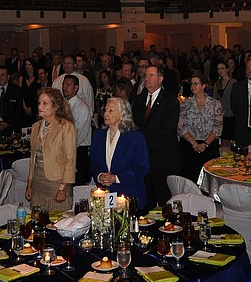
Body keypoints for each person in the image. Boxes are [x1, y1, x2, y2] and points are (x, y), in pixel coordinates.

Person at [132, 65, 181, 207]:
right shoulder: (139, 100)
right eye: (145, 75)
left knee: (165, 200)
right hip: (144, 160)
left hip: (163, 159)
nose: (146, 78)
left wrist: (143, 144)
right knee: (147, 199)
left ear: (160, 79)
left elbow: (167, 131)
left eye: (151, 75)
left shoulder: (170, 101)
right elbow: (136, 125)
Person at [91, 97, 150, 207]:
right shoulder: (98, 135)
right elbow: (93, 164)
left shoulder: (135, 137)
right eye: (105, 110)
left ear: (123, 114)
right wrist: (100, 176)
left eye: (111, 111)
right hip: (105, 196)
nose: (105, 114)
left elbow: (142, 167)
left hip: (129, 194)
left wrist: (116, 178)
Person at [25, 87, 77, 210]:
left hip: (57, 181)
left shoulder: (65, 126)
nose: (40, 107)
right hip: (38, 181)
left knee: (57, 222)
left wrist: (62, 188)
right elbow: (32, 158)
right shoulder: (35, 126)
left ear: (56, 107)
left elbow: (70, 160)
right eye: (39, 103)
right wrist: (29, 185)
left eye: (45, 103)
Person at [177, 72, 223, 182]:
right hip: (189, 146)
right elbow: (181, 127)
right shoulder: (185, 104)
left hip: (209, 146)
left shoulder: (215, 104)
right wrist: (194, 144)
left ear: (203, 86)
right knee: (190, 179)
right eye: (192, 84)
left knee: (208, 180)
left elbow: (218, 127)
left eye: (196, 83)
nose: (193, 86)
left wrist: (205, 144)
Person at [62, 75, 92, 184]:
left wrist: (67, 148)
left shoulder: (82, 108)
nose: (64, 87)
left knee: (78, 184)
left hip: (79, 150)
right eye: (63, 85)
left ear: (76, 88)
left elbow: (80, 134)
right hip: (65, 150)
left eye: (68, 85)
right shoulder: (62, 106)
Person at [0, 66, 24, 137]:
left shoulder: (16, 91)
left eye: (2, 74)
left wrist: (7, 123)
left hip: (11, 129)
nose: (0, 77)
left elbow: (18, 111)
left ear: (8, 77)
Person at [213, 60, 237, 143]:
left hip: (231, 115)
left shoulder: (234, 82)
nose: (220, 71)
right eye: (218, 69)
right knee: (223, 141)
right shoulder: (217, 83)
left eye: (222, 68)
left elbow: (236, 100)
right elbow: (214, 100)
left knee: (230, 141)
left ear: (227, 69)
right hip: (221, 116)